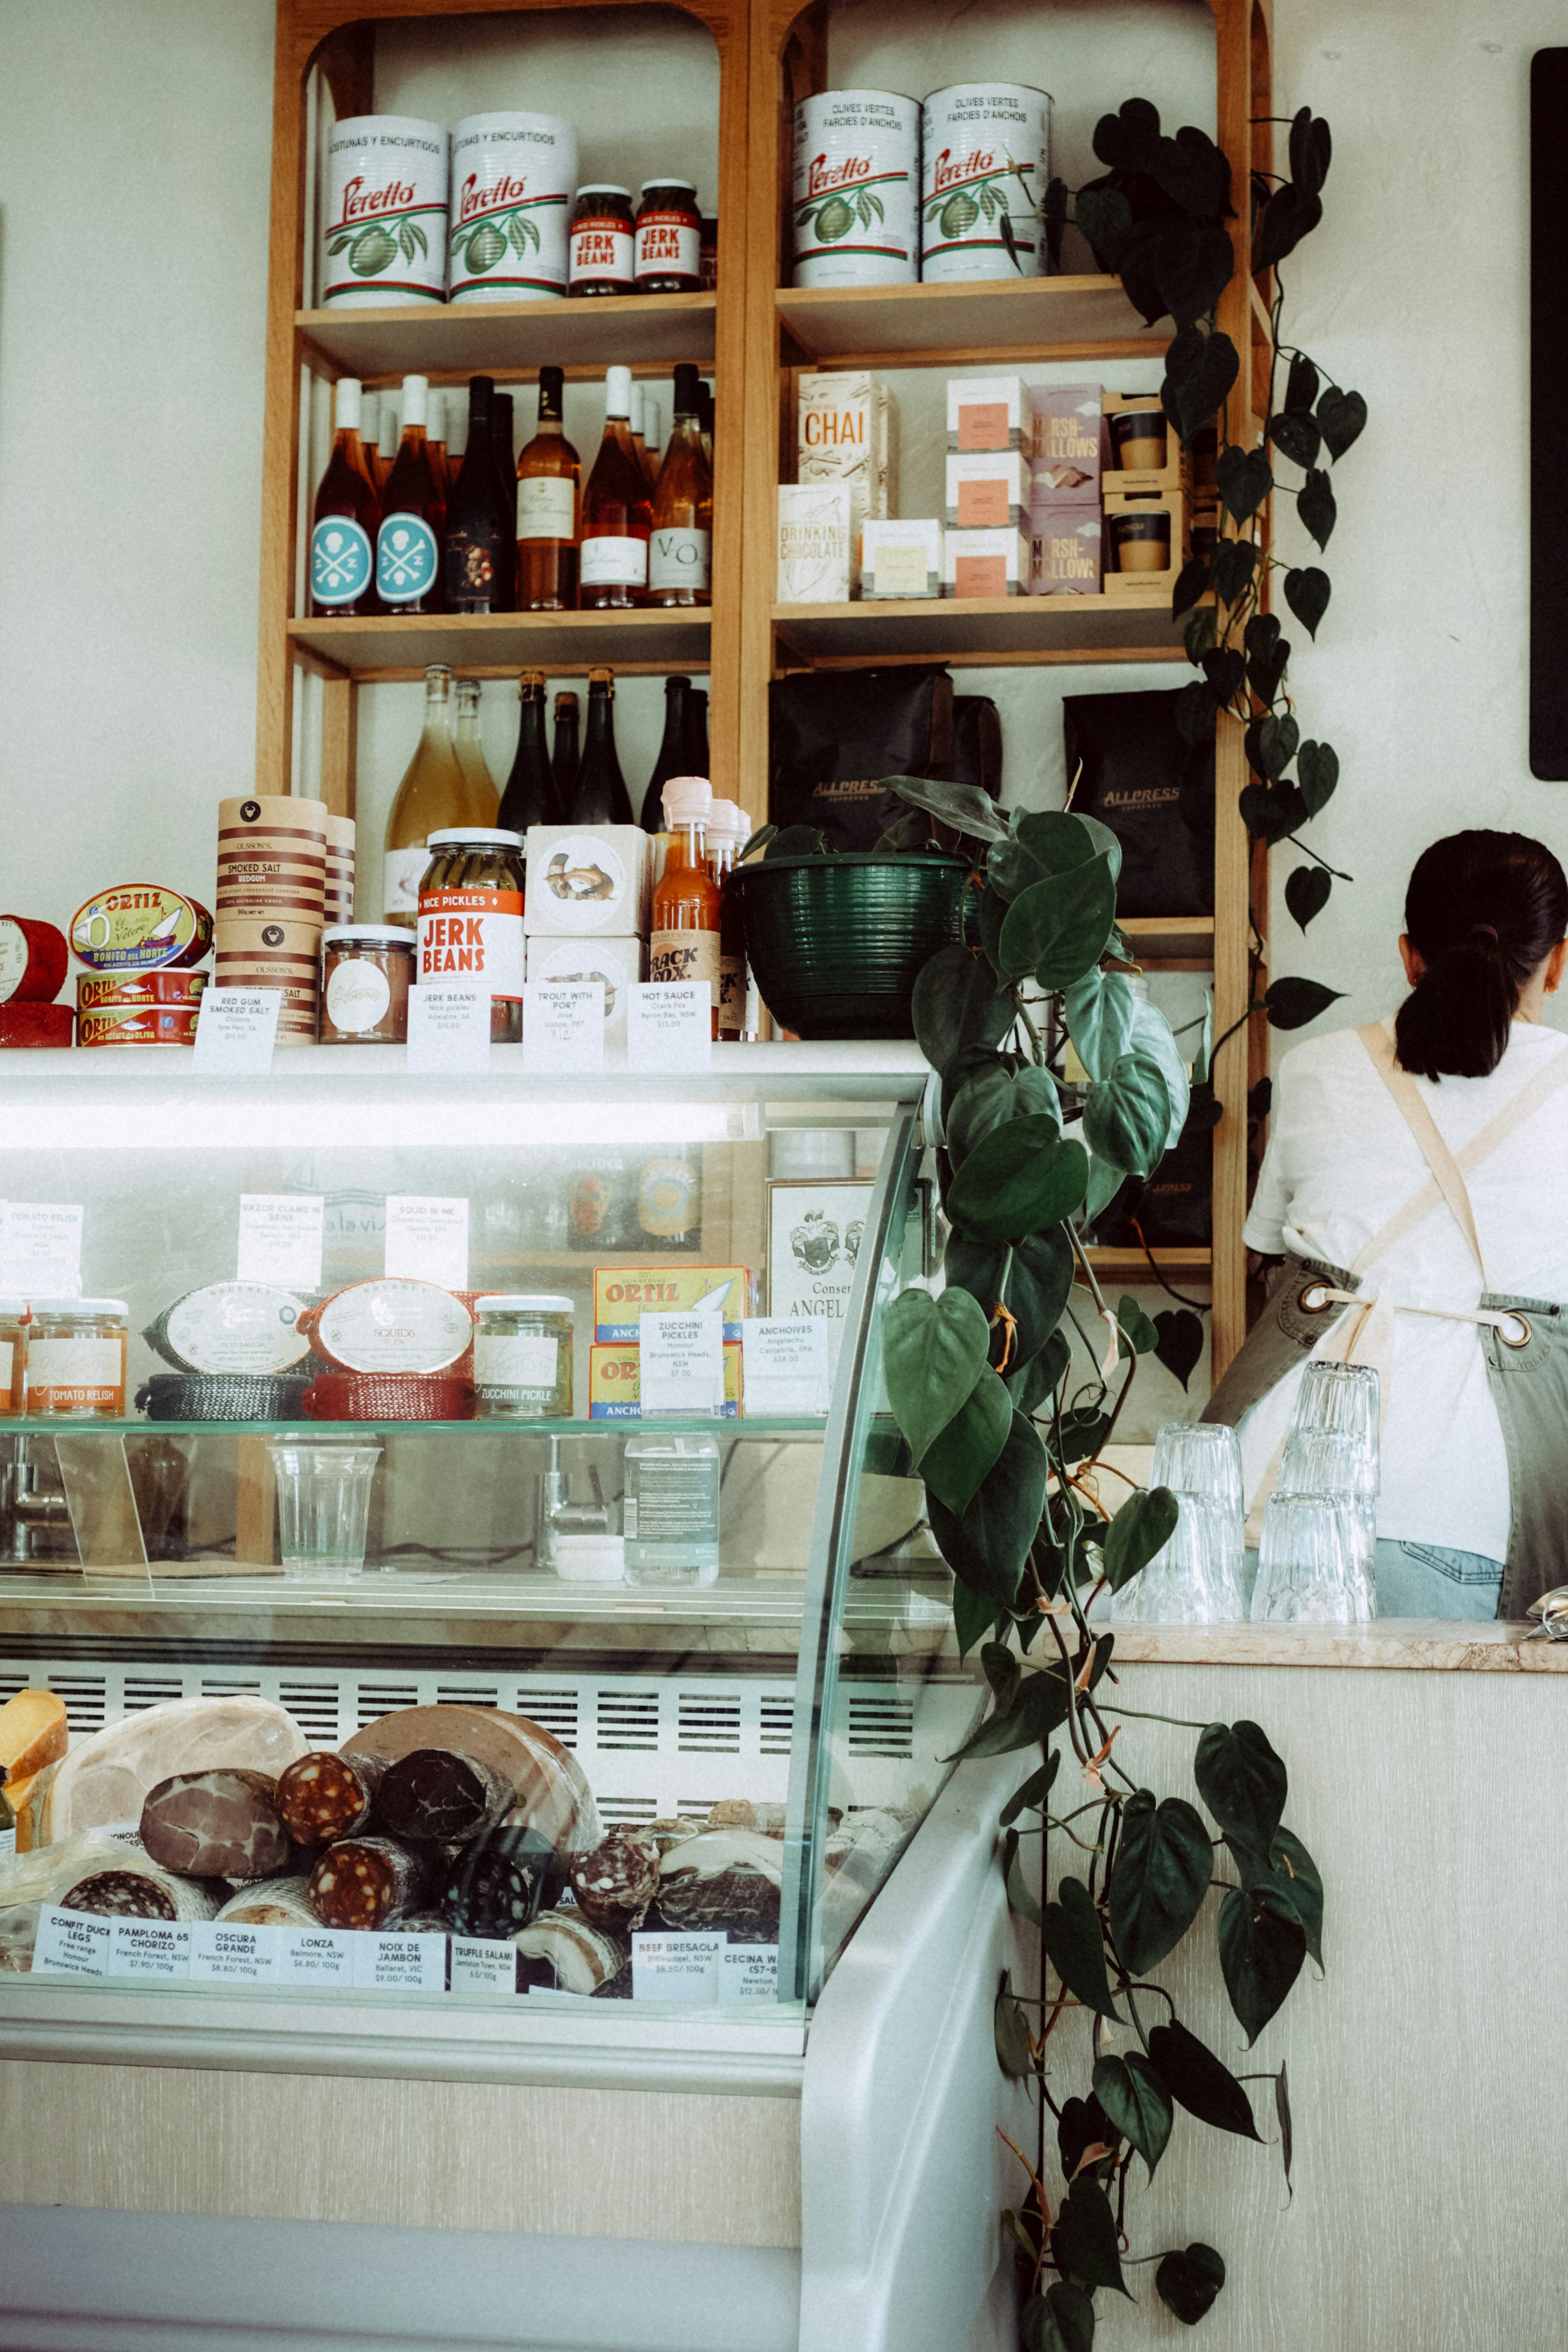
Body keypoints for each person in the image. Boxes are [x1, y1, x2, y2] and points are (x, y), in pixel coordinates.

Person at [1204, 830, 1568, 1620]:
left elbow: (1269, 1255)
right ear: (1558, 963)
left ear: (1409, 956)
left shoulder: (1312, 1070)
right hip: (1467, 1518)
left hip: (1263, 1499)